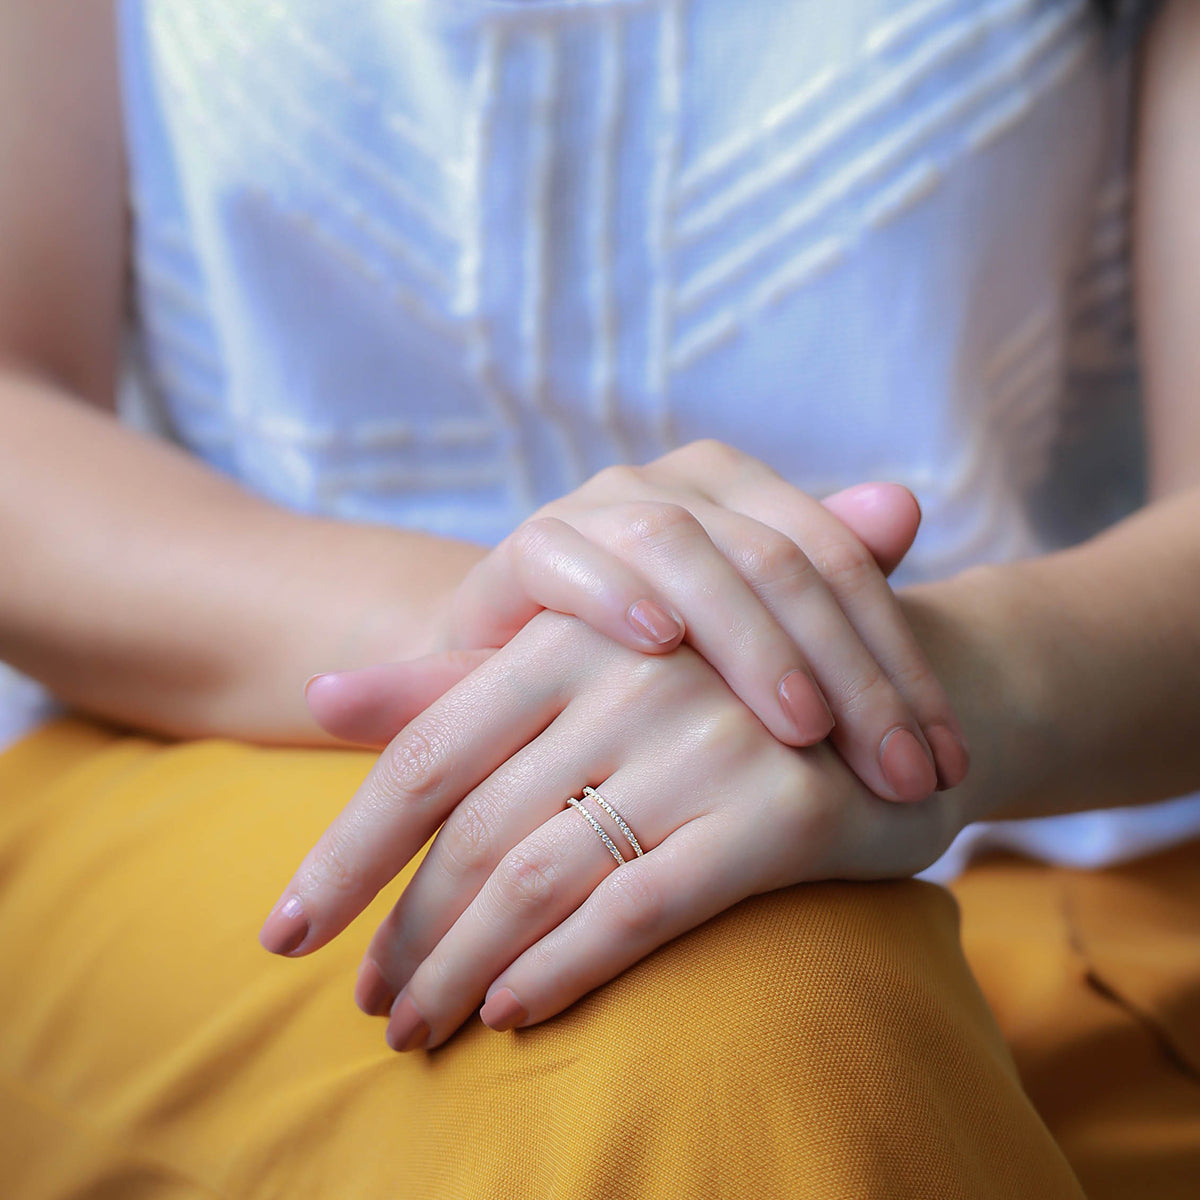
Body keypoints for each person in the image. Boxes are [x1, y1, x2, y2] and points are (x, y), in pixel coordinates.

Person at [1, 0, 1196, 1196]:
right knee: (754, 1021)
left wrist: (929, 689)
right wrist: (509, 649)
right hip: (232, 753)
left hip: (1058, 818)